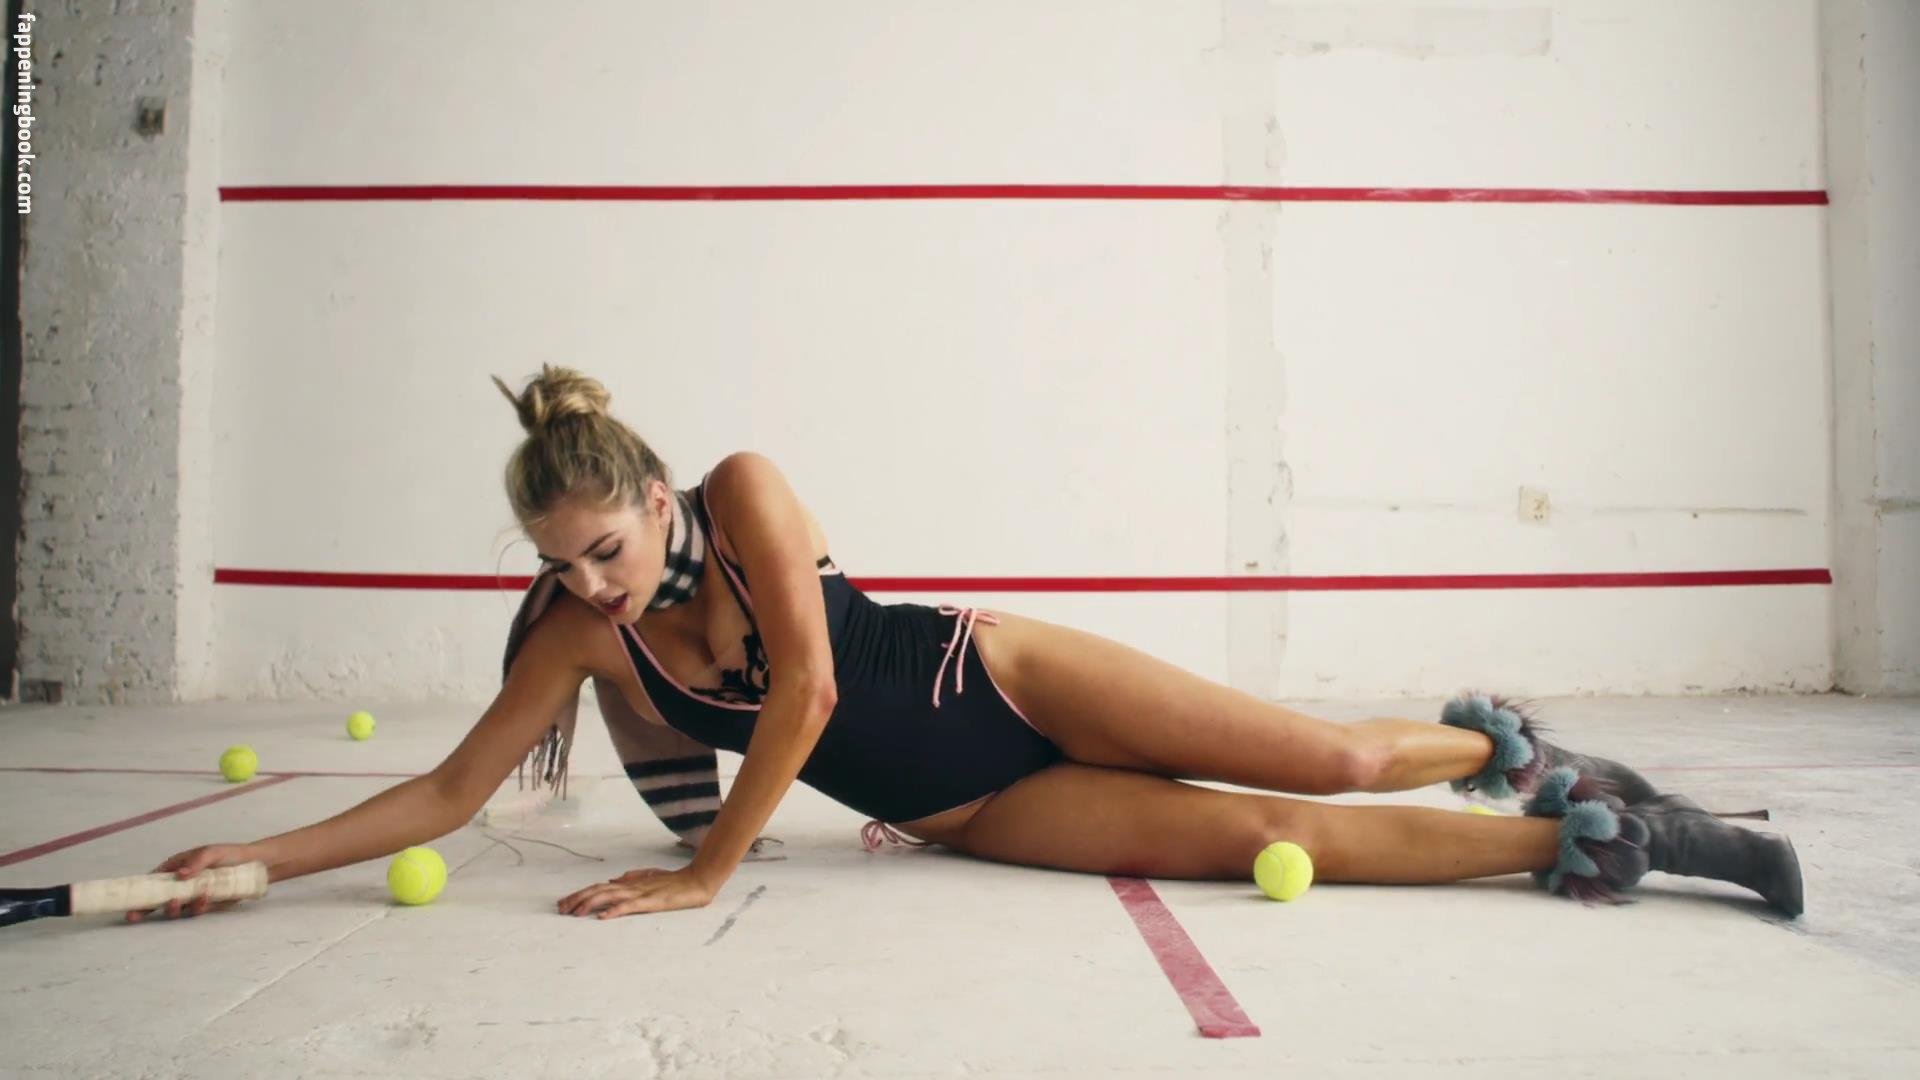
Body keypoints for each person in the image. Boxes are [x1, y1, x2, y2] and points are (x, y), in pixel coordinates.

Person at [129, 366, 1802, 924]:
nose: (592, 587)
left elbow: (808, 691)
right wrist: (259, 861)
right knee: (1267, 835)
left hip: (993, 677)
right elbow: (444, 792)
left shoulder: (745, 488)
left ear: (652, 493)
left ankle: (1510, 746)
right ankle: (1608, 840)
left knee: (1344, 755)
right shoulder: (579, 638)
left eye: (607, 550)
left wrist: (709, 870)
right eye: (562, 568)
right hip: (972, 805)